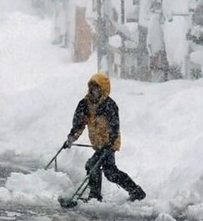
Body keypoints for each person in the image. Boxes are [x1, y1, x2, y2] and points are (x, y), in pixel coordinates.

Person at [63, 72, 146, 202]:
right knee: (110, 173)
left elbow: (114, 127)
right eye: (92, 87)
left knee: (92, 165)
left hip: (109, 144)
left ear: (103, 88)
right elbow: (79, 124)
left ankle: (95, 196)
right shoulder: (85, 104)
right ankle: (135, 191)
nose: (93, 90)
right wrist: (71, 138)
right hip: (99, 144)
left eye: (97, 87)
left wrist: (110, 143)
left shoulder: (109, 105)